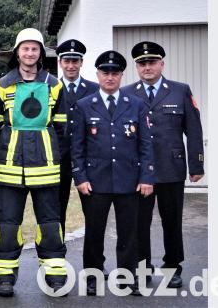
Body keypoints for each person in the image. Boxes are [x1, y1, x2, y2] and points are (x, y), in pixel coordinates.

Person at [0, 28, 69, 297]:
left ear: (40, 53)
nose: (30, 53)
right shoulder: (2, 85)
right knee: (7, 225)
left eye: (34, 49)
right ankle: (5, 274)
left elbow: (62, 129)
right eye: (25, 48)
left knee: (50, 224)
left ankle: (54, 273)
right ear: (17, 53)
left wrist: (51, 154)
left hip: (45, 167)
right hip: (9, 167)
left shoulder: (55, 85)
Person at [71, 51, 154, 296]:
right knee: (94, 232)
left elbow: (146, 145)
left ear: (121, 75)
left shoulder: (136, 105)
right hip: (95, 182)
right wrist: (80, 177)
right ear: (97, 74)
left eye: (115, 73)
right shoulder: (84, 105)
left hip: (129, 180)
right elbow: (77, 147)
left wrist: (146, 177)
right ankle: (93, 277)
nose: (110, 77)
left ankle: (128, 278)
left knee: (129, 232)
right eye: (105, 73)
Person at [123, 41, 204, 289]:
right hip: (139, 172)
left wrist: (197, 165)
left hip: (171, 168)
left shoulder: (180, 90)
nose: (147, 67)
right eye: (141, 63)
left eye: (151, 62)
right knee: (139, 223)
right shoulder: (127, 93)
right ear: (137, 67)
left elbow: (194, 129)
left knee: (172, 221)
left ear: (162, 64)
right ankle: (142, 268)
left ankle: (173, 267)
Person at [55, 39, 99, 232]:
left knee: (93, 209)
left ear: (81, 63)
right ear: (60, 63)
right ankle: (58, 249)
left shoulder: (95, 89)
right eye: (67, 61)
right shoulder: (50, 88)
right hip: (59, 156)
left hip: (88, 156)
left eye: (75, 61)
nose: (71, 66)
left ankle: (93, 250)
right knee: (57, 209)